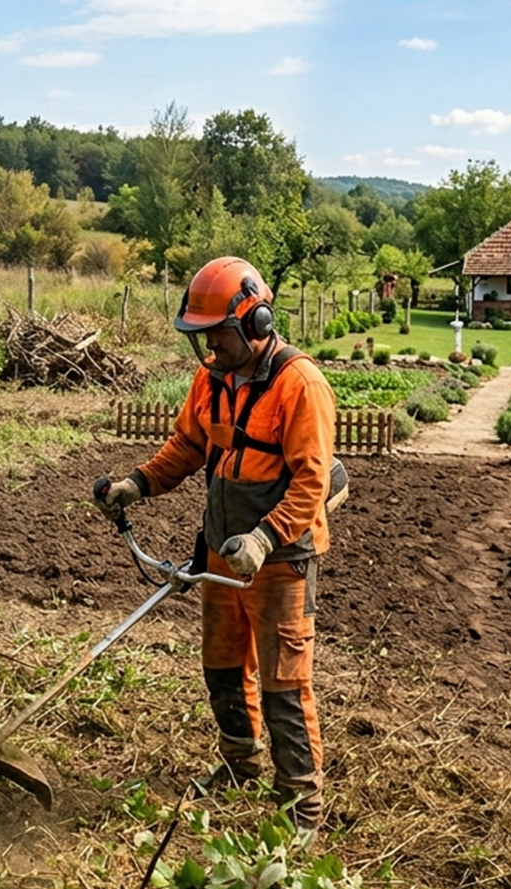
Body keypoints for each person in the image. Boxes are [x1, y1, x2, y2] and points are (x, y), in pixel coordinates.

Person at [95, 256, 340, 827]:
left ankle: (300, 804)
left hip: (279, 557)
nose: (208, 349)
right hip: (222, 549)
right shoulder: (210, 380)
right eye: (200, 337)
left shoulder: (299, 385)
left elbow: (312, 481)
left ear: (256, 323)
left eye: (218, 335)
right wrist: (139, 483)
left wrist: (263, 538)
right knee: (223, 664)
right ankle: (238, 764)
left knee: (284, 679)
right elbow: (187, 446)